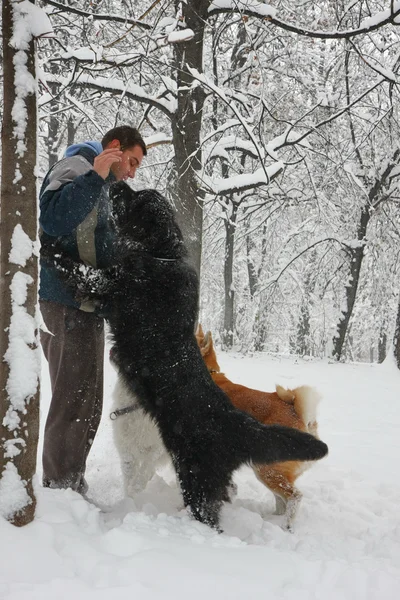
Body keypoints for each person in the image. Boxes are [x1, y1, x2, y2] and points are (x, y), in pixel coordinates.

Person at [39, 125, 147, 494]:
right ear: (114, 148)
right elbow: (51, 220)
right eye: (131, 161)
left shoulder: (105, 186)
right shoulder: (76, 168)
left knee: (89, 400)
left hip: (88, 306)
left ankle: (71, 482)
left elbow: (101, 242)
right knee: (72, 400)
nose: (132, 171)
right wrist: (96, 176)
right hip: (64, 304)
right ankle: (59, 488)